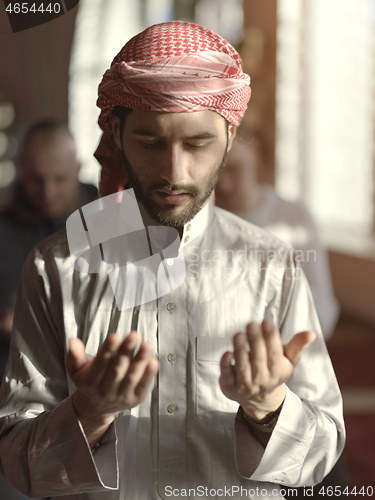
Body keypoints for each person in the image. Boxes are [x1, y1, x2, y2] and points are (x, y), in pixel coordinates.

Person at [0, 21, 345, 500]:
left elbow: (322, 455)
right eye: (151, 142)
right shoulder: (57, 265)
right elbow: (18, 461)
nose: (174, 172)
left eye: (197, 144)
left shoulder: (270, 266)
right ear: (117, 134)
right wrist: (90, 411)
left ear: (229, 135)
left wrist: (267, 406)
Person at [215, 130, 339, 339]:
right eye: (215, 173)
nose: (224, 184)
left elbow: (323, 313)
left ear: (254, 149)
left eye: (234, 168)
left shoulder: (294, 218)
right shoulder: (199, 223)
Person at [0, 119, 98, 375]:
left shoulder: (108, 224)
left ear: (77, 169)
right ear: (21, 167)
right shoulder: (3, 230)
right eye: (37, 180)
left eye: (59, 179)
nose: (48, 192)